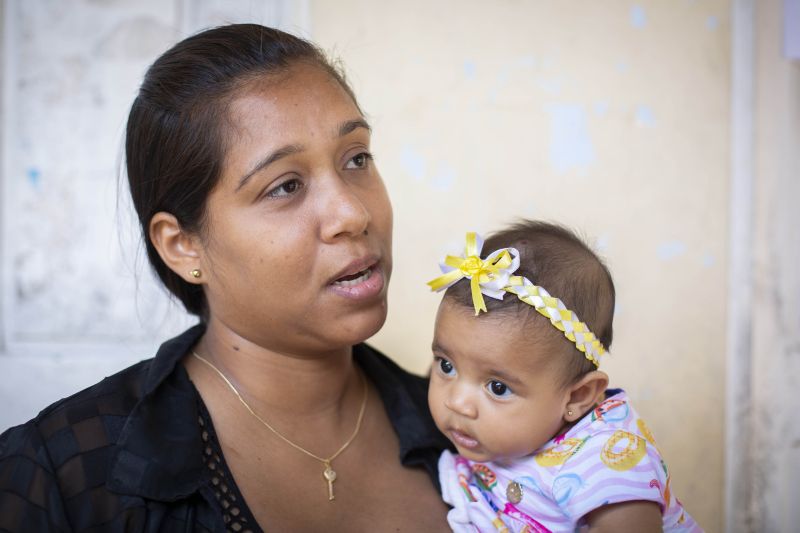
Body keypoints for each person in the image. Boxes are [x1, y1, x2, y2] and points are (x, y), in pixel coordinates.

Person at [0, 24, 453, 532]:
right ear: (182, 245)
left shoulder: (477, 432)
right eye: (285, 186)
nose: (351, 212)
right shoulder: (62, 476)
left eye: (357, 158)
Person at [426, 221, 701, 532]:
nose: (457, 402)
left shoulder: (602, 456)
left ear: (578, 397)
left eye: (498, 387)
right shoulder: (492, 435)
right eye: (446, 365)